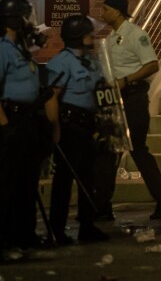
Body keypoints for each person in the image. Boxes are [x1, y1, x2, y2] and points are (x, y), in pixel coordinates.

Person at [100, 0, 161, 220]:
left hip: (133, 96)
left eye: (105, 9)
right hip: (114, 98)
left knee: (137, 148)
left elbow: (152, 64)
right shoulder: (110, 39)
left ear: (117, 11)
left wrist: (127, 79)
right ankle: (102, 205)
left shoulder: (136, 35)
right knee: (111, 151)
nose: (102, 13)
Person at [47, 15, 109, 245]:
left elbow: (103, 88)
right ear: (78, 37)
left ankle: (87, 225)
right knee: (64, 179)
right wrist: (55, 129)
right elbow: (52, 96)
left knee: (88, 178)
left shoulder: (92, 61)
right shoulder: (61, 62)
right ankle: (57, 229)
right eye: (88, 33)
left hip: (90, 124)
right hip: (70, 125)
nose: (92, 37)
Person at [0, 0, 54, 252]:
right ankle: (7, 238)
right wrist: (5, 124)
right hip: (12, 121)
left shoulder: (21, 49)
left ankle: (25, 234)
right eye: (26, 16)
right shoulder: (2, 49)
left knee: (27, 181)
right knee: (8, 183)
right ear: (14, 20)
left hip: (28, 120)